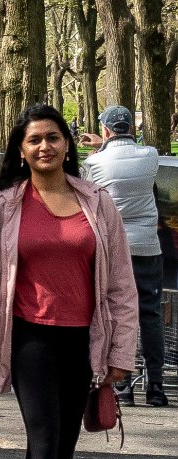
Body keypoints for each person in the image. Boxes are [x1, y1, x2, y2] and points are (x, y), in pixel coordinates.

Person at [0, 103, 139, 459]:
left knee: (65, 441)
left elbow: (121, 286)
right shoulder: (3, 209)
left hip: (83, 339)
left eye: (53, 137)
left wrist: (122, 353)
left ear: (67, 145)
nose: (45, 146)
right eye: (34, 139)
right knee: (44, 433)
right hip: (28, 339)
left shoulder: (98, 204)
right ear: (21, 150)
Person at [80, 105, 166, 407]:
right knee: (151, 314)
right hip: (147, 246)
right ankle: (156, 386)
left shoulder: (95, 162)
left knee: (117, 315)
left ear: (104, 130)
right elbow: (134, 154)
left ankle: (123, 384)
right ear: (129, 127)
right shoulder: (151, 156)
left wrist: (98, 148)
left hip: (113, 247)